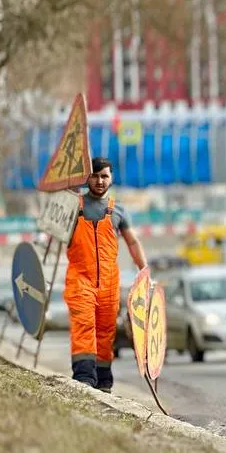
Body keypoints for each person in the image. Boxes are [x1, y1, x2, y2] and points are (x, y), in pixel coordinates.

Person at [64, 157, 147, 391]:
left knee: (105, 332)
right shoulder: (73, 206)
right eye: (95, 176)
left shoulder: (118, 209)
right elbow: (52, 234)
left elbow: (132, 242)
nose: (99, 181)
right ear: (87, 177)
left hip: (109, 283)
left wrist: (144, 270)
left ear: (111, 178)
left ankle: (103, 381)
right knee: (84, 325)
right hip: (80, 278)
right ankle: (83, 378)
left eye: (104, 176)